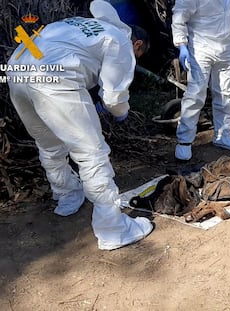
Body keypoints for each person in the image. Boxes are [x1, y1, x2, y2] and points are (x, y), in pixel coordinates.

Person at [6, 0, 152, 250]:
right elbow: (114, 98)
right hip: (55, 79)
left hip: (17, 69)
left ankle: (67, 197)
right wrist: (120, 112)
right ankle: (113, 229)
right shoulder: (121, 42)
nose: (135, 61)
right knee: (91, 152)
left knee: (48, 143)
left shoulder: (86, 25)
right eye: (138, 56)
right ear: (137, 44)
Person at [171, 0, 230, 161]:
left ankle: (223, 134)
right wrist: (181, 44)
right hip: (199, 48)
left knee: (225, 93)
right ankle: (184, 140)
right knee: (195, 94)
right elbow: (180, 15)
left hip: (226, 47)